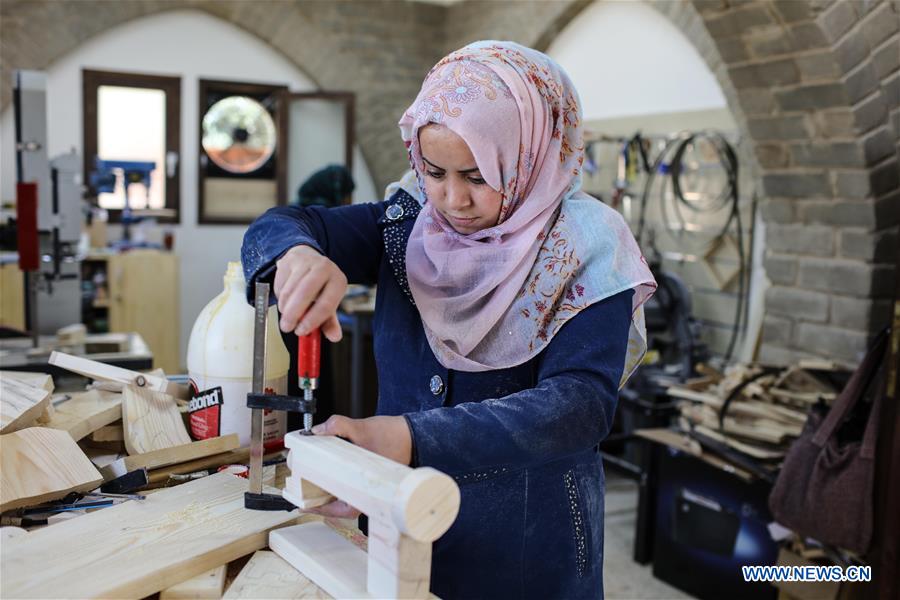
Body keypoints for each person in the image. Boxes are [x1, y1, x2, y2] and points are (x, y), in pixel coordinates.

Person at [242, 41, 656, 599]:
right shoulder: (408, 220)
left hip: (526, 548)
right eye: (434, 171)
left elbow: (578, 406)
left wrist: (407, 437)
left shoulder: (587, 248)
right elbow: (283, 223)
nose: (453, 199)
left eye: (480, 175)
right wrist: (298, 255)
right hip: (399, 527)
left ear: (528, 154)